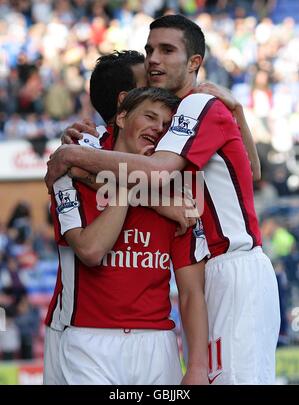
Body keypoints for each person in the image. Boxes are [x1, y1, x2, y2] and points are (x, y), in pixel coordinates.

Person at [45, 14, 280, 385]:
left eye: (166, 50)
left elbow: (154, 171)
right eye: (150, 50)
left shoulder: (196, 107)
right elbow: (248, 174)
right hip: (203, 272)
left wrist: (74, 159)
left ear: (194, 62)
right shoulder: (171, 123)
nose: (154, 59)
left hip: (231, 266)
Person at [46, 87, 210, 385]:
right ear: (121, 117)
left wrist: (197, 367)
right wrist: (131, 187)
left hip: (158, 345)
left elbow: (191, 291)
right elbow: (92, 251)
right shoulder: (69, 175)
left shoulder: (180, 194)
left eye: (166, 126)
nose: (158, 129)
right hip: (88, 341)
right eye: (149, 117)